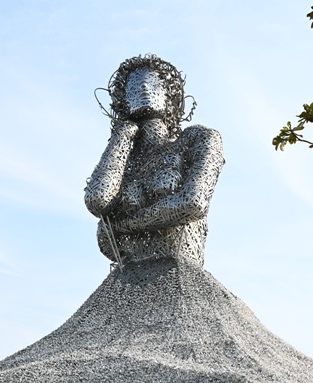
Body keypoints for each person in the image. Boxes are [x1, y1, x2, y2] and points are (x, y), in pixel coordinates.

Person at [84, 54, 225, 269]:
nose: (142, 87)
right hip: (130, 274)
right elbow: (97, 201)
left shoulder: (197, 139)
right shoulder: (125, 166)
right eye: (133, 86)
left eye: (153, 83)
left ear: (170, 95)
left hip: (179, 273)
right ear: (122, 101)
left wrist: (123, 225)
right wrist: (122, 135)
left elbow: (193, 203)